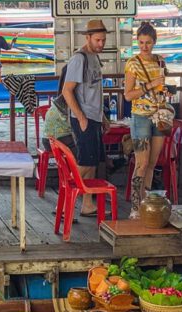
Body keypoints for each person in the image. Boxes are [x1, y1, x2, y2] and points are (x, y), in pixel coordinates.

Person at [61, 19, 110, 217]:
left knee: (92, 162)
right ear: (88, 37)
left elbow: (95, 90)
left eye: (103, 40)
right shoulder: (79, 59)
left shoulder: (95, 58)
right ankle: (64, 205)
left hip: (94, 116)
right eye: (98, 40)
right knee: (84, 162)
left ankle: (87, 204)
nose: (101, 44)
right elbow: (67, 90)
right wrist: (80, 116)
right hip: (83, 117)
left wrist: (103, 117)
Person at [124, 22, 168, 219]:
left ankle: (146, 203)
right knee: (141, 163)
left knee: (152, 162)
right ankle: (135, 206)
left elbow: (165, 86)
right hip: (140, 116)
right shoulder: (132, 63)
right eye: (141, 42)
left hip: (159, 115)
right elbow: (127, 95)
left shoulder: (160, 61)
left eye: (148, 43)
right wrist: (151, 85)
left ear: (154, 42)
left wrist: (165, 90)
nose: (144, 46)